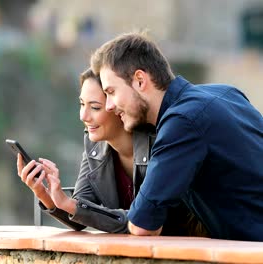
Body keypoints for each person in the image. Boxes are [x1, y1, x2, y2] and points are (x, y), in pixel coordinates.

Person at [90, 31, 263, 241]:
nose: (109, 106)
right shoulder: (226, 93)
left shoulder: (182, 122)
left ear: (139, 80)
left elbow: (142, 224)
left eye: (111, 92)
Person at [16, 68, 198, 235]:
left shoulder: (161, 141)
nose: (83, 116)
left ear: (117, 106)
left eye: (95, 107)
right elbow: (81, 215)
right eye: (81, 104)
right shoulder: (94, 145)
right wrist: (44, 193)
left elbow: (143, 222)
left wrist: (71, 204)